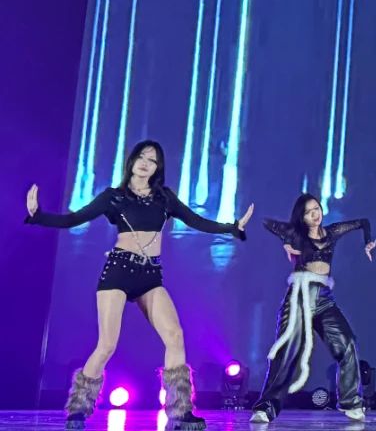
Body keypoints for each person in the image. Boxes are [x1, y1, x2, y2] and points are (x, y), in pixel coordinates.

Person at [25, 140, 252, 431]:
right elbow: (74, 218)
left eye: (153, 160)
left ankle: (180, 411)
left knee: (175, 335)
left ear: (158, 168)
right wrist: (39, 216)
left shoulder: (164, 198)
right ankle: (78, 408)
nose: (146, 163)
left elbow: (197, 221)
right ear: (132, 161)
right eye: (142, 157)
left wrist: (232, 227)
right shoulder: (114, 197)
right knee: (107, 344)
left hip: (150, 275)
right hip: (118, 271)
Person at [250, 195, 376, 423]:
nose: (315, 214)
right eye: (308, 212)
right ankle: (266, 407)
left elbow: (363, 222)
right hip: (299, 297)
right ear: (302, 217)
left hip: (324, 299)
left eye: (316, 209)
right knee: (286, 352)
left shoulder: (333, 232)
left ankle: (350, 402)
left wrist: (368, 242)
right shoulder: (294, 234)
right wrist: (285, 241)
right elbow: (266, 222)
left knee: (347, 343)